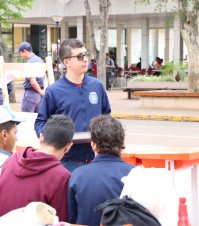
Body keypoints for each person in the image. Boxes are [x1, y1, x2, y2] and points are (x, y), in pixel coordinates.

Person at [34, 39, 111, 172]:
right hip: (67, 162)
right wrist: (45, 135)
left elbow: (107, 115)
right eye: (80, 57)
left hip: (97, 159)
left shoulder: (96, 86)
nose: (85, 60)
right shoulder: (54, 91)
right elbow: (41, 122)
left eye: (86, 55)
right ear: (67, 62)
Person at [0, 115, 75, 222]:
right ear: (68, 146)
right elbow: (61, 220)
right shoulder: (62, 176)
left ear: (41, 138)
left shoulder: (12, 159)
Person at [67, 115, 135, 226]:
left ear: (93, 145)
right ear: (122, 144)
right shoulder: (136, 174)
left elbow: (71, 218)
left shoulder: (78, 175)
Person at [16, 42, 45, 113]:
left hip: (31, 94)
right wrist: (42, 91)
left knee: (26, 120)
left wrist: (41, 92)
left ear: (25, 51)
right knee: (37, 120)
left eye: (20, 53)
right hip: (39, 95)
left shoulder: (31, 62)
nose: (20, 55)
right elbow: (44, 78)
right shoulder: (39, 60)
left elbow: (33, 81)